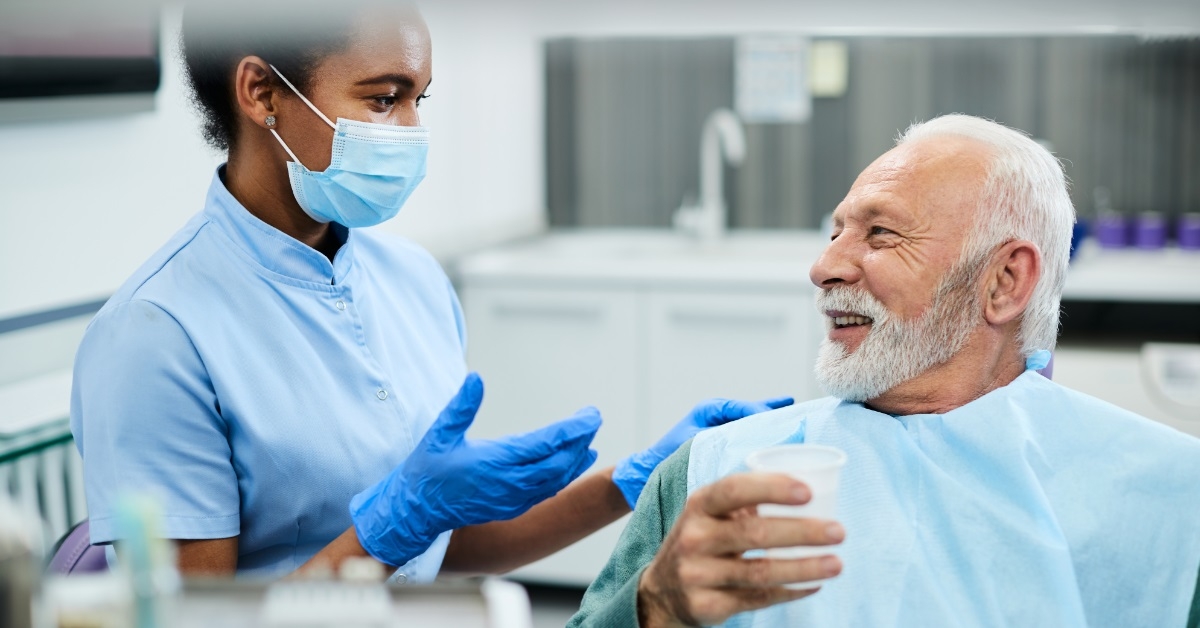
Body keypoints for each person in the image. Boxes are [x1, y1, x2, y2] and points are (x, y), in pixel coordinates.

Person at [68, 3, 793, 580]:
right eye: (384, 99)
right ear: (262, 92)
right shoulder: (156, 333)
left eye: (420, 99)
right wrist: (393, 525)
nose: (412, 130)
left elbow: (448, 546)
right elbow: (191, 620)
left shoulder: (411, 281)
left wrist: (639, 480)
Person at [568, 114, 1200, 627]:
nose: (824, 267)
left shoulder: (1170, 500)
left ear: (1005, 282)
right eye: (836, 231)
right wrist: (652, 608)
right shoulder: (712, 479)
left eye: (880, 234)